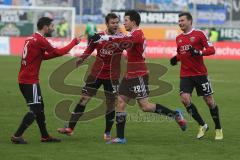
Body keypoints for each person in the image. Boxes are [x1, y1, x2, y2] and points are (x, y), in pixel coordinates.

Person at [94, 10, 187, 144]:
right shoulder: (131, 34)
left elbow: (124, 41)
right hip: (129, 75)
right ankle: (120, 137)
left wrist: (104, 37)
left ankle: (175, 115)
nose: (123, 23)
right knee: (120, 103)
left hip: (139, 74)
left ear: (133, 21)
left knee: (145, 106)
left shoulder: (138, 34)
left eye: (126, 20)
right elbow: (123, 43)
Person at [11, 17, 82, 144]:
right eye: (52, 26)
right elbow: (57, 52)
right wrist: (74, 42)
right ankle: (17, 135)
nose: (53, 29)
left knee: (40, 107)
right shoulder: (40, 40)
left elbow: (43, 56)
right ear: (45, 26)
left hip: (25, 79)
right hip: (29, 81)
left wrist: (60, 52)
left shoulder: (31, 38)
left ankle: (45, 136)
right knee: (35, 110)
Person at [57, 13, 124, 141]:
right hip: (96, 74)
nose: (115, 25)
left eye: (117, 22)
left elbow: (132, 50)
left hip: (112, 76)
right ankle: (70, 128)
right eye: (113, 23)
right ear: (107, 24)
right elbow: (90, 48)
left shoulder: (122, 38)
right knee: (83, 99)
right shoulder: (98, 37)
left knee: (110, 104)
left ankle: (107, 132)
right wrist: (82, 58)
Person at [170, 12, 223, 140]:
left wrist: (198, 52)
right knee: (185, 99)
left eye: (182, 20)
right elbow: (182, 54)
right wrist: (175, 58)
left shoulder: (199, 34)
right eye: (179, 21)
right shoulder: (179, 38)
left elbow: (212, 50)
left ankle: (218, 128)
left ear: (190, 21)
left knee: (209, 101)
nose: (180, 23)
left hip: (200, 74)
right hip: (186, 75)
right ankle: (202, 125)